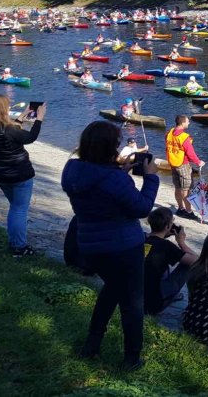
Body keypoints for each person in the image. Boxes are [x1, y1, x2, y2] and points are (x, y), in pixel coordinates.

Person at [62, 120, 159, 370]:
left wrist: (118, 173)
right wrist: (151, 179)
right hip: (123, 248)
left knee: (112, 289)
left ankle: (92, 345)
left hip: (90, 246)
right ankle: (131, 358)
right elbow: (142, 208)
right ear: (110, 148)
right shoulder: (113, 179)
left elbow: (100, 189)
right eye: (116, 144)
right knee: (132, 303)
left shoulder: (72, 170)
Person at [0, 95, 46, 256]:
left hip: (0, 173)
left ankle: (15, 241)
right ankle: (18, 247)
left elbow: (9, 133)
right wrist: (39, 119)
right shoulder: (9, 130)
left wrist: (22, 116)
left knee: (15, 208)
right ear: (3, 109)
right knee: (19, 210)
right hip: (19, 174)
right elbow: (30, 138)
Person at [143, 207, 198, 315]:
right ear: (168, 226)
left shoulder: (142, 237)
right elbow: (196, 261)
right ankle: (181, 299)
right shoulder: (166, 247)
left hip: (133, 298)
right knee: (187, 265)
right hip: (153, 305)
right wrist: (181, 242)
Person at [165, 115, 205, 220]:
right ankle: (188, 211)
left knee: (178, 187)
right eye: (187, 121)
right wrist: (198, 162)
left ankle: (180, 208)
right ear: (182, 123)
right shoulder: (184, 137)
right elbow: (190, 153)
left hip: (173, 164)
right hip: (183, 165)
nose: (189, 123)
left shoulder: (169, 133)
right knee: (186, 189)